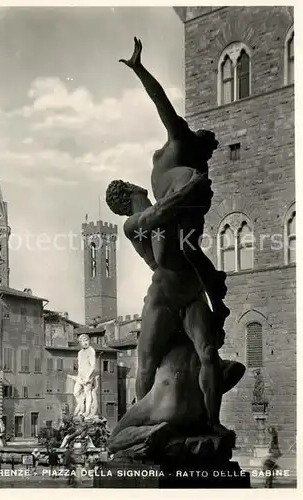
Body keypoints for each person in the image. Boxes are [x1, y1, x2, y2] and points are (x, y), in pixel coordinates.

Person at [106, 177, 239, 437]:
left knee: (208, 354)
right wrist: (190, 188)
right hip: (163, 294)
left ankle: (212, 422)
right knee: (146, 365)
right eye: (132, 185)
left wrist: (216, 298)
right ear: (129, 191)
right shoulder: (134, 225)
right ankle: (142, 427)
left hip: (191, 289)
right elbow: (158, 212)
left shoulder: (168, 214)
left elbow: (192, 253)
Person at [119, 37, 228, 324]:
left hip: (183, 202)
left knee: (188, 249)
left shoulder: (183, 158)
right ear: (200, 143)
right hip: (182, 202)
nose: (207, 159)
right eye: (209, 150)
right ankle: (215, 298)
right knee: (189, 250)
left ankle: (214, 297)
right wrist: (139, 70)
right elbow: (162, 102)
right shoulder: (181, 140)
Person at [73, 334, 97, 418]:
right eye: (82, 341)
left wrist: (88, 376)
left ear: (89, 341)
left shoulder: (91, 350)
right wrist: (79, 376)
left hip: (88, 376)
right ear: (80, 343)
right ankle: (81, 407)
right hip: (80, 376)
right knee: (75, 393)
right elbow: (79, 365)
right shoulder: (80, 353)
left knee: (88, 393)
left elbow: (93, 366)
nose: (84, 342)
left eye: (86, 340)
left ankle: (87, 411)